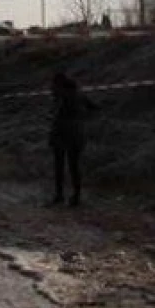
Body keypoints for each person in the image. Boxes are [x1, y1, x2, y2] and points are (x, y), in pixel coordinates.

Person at [49, 72, 99, 207]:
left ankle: (59, 196)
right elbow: (94, 108)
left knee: (59, 166)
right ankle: (76, 196)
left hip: (62, 133)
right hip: (78, 133)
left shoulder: (61, 96)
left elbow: (55, 114)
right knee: (74, 166)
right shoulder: (79, 94)